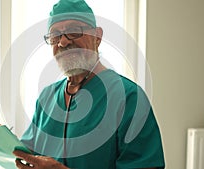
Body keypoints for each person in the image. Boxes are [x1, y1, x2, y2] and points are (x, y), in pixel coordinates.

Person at [11, 0, 165, 168]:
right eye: (55, 35)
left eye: (74, 31)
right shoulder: (46, 98)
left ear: (97, 37)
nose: (63, 42)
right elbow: (30, 153)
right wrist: (5, 145)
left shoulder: (129, 98)